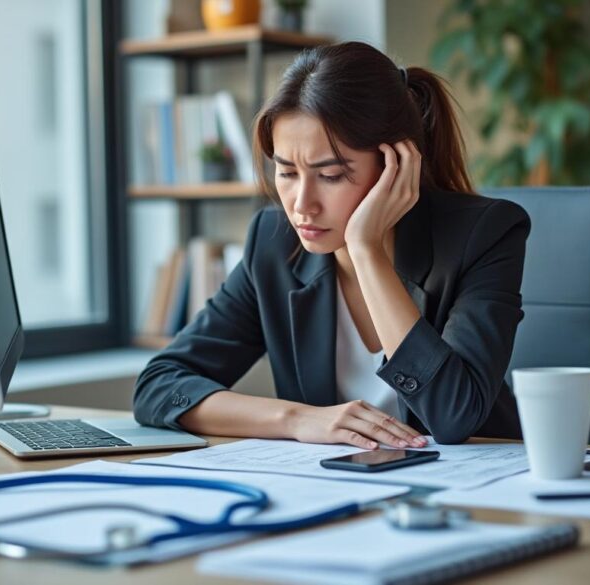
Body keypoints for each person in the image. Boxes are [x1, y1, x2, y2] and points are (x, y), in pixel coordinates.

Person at [133, 41, 530, 447]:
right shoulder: (272, 244)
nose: (302, 205)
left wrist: (366, 251)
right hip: (336, 489)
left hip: (476, 488)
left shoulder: (485, 234)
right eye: (287, 173)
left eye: (332, 175)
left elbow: (454, 416)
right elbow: (159, 386)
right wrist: (296, 419)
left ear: (395, 165)